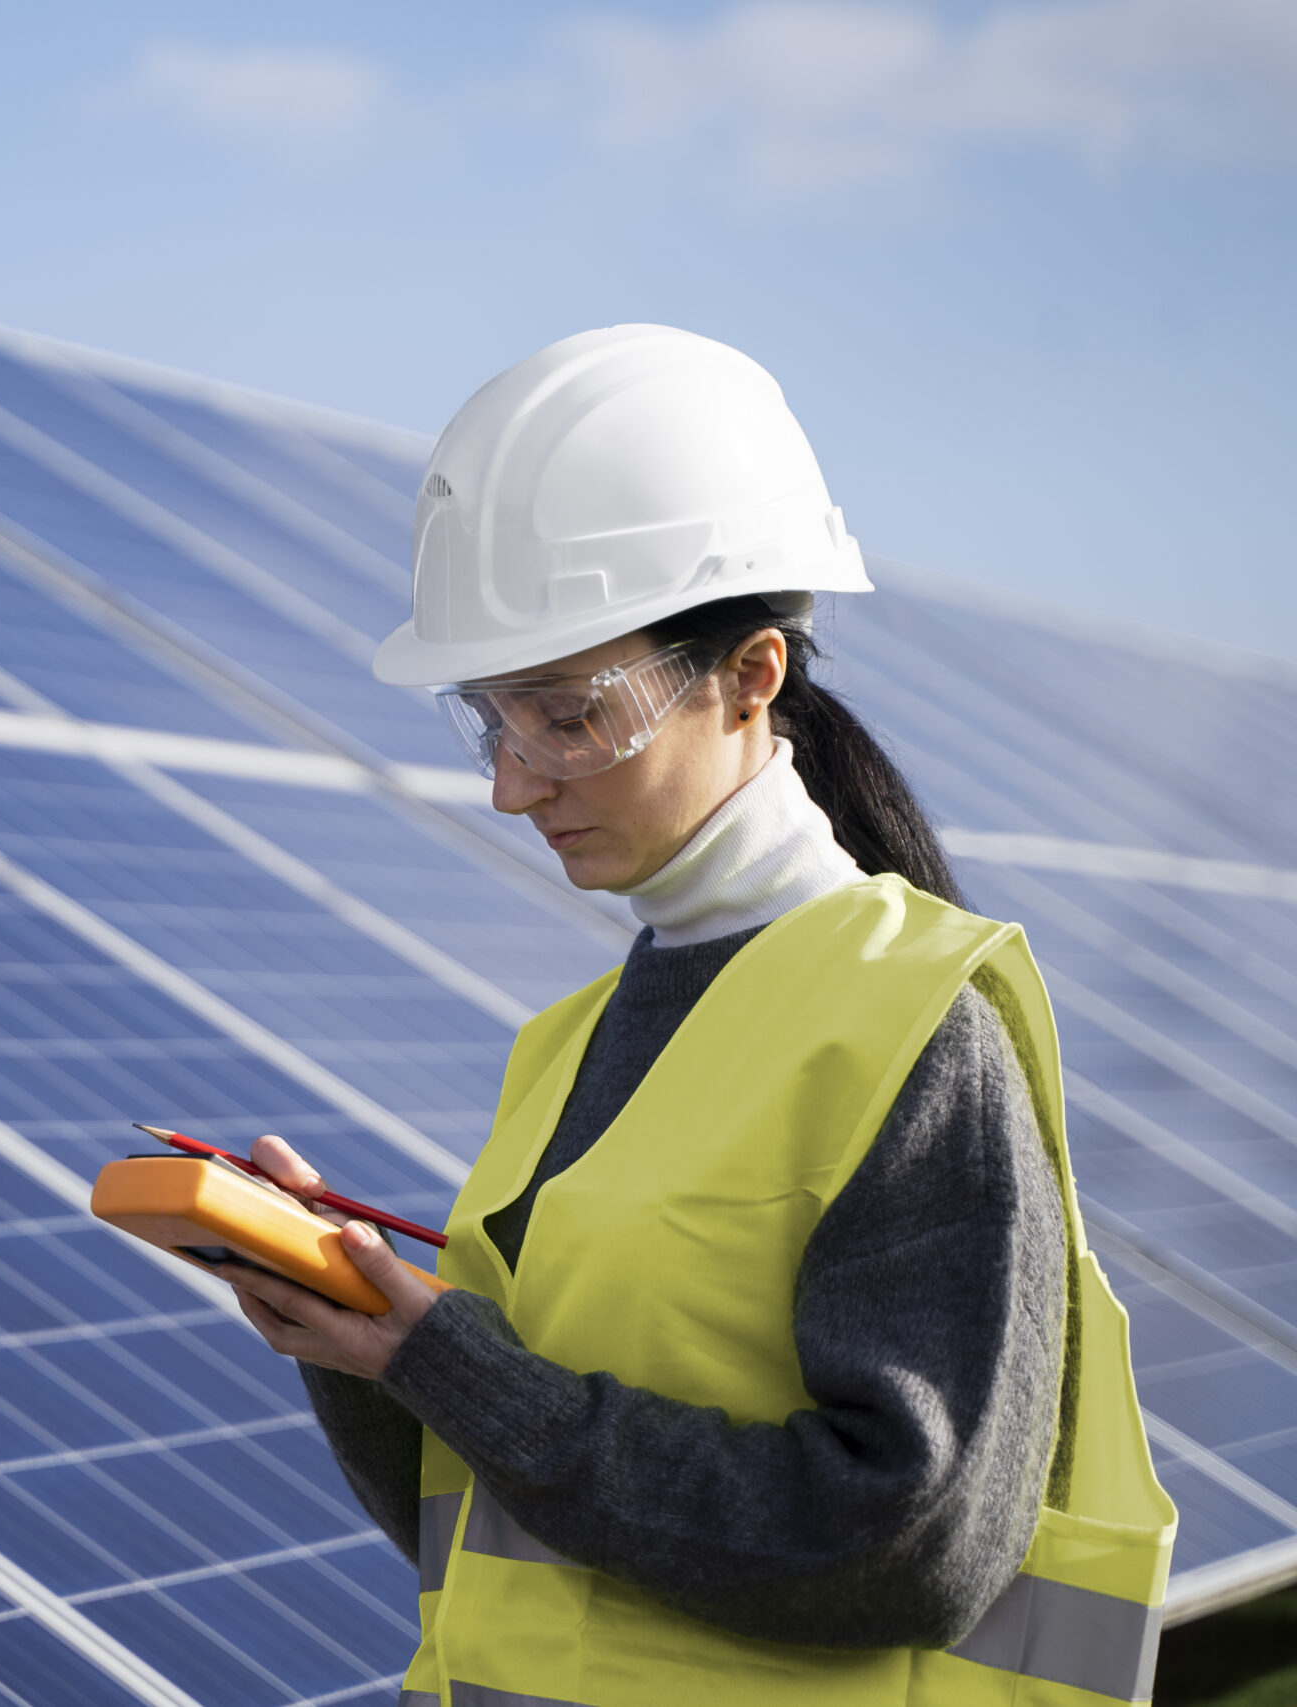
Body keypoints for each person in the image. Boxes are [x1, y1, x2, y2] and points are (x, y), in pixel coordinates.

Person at [218, 326, 1173, 1706]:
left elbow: (907, 1542)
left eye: (568, 715)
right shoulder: (566, 1048)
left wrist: (450, 1361)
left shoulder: (908, 1024)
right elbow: (511, 1533)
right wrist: (365, 1343)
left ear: (752, 676)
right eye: (491, 722)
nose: (514, 782)